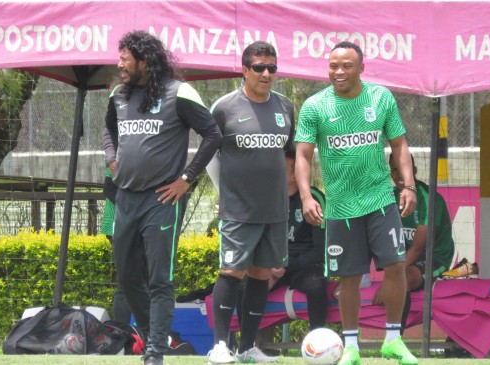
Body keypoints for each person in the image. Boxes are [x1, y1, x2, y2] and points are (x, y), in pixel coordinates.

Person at [294, 41, 418, 365]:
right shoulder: (315, 106)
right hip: (340, 208)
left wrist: (408, 186)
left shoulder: (380, 98)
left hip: (380, 200)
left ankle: (393, 340)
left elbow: (399, 145)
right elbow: (303, 155)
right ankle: (351, 347)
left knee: (395, 265)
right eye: (333, 65)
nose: (338, 72)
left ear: (361, 68)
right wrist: (307, 196)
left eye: (346, 65)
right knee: (347, 278)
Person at [102, 30, 222, 365]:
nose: (119, 64)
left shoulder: (179, 92)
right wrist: (112, 159)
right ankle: (155, 334)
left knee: (159, 278)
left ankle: (155, 352)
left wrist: (186, 179)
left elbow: (213, 134)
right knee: (127, 276)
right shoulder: (118, 94)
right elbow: (107, 129)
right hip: (125, 198)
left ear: (144, 60)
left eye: (125, 59)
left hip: (162, 200)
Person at [205, 40, 295, 364]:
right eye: (259, 67)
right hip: (238, 212)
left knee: (260, 275)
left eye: (272, 67)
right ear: (245, 70)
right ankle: (219, 346)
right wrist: (223, 194)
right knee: (231, 272)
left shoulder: (285, 107)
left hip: (275, 211)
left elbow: (289, 156)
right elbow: (207, 155)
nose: (266, 73)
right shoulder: (225, 107)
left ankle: (247, 349)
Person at [374, 154, 456, 331]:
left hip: (435, 258)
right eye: (394, 170)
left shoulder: (428, 198)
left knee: (401, 279)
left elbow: (418, 248)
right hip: (406, 257)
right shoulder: (390, 197)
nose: (399, 174)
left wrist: (389, 279)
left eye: (404, 168)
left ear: (414, 171)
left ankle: (396, 337)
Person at [266, 147, 328, 330]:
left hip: (303, 267)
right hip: (275, 266)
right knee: (244, 287)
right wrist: (269, 268)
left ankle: (318, 341)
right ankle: (249, 345)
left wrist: (286, 267)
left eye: (280, 167)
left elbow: (320, 250)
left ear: (295, 175)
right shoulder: (269, 198)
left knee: (316, 285)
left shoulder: (314, 199)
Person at [99, 164, 133, 325]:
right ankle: (124, 334)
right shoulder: (119, 152)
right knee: (125, 284)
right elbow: (109, 188)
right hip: (119, 227)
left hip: (142, 227)